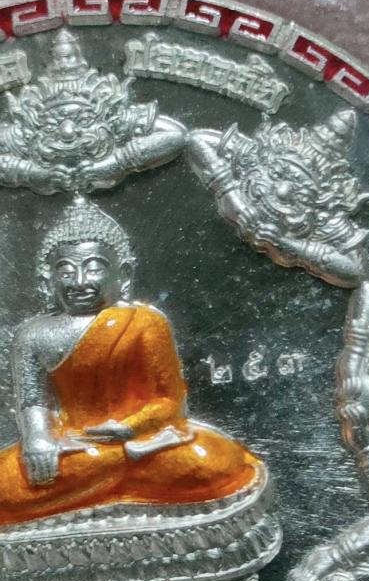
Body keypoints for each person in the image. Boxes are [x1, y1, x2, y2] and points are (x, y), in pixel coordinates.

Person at [0, 198, 259, 527]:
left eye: (94, 268)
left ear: (121, 274)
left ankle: (101, 487)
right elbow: (33, 401)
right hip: (74, 449)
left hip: (140, 445)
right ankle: (114, 484)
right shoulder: (33, 334)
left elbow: (171, 401)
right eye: (65, 270)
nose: (80, 281)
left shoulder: (146, 323)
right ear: (48, 279)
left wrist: (129, 427)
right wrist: (38, 439)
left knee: (212, 462)